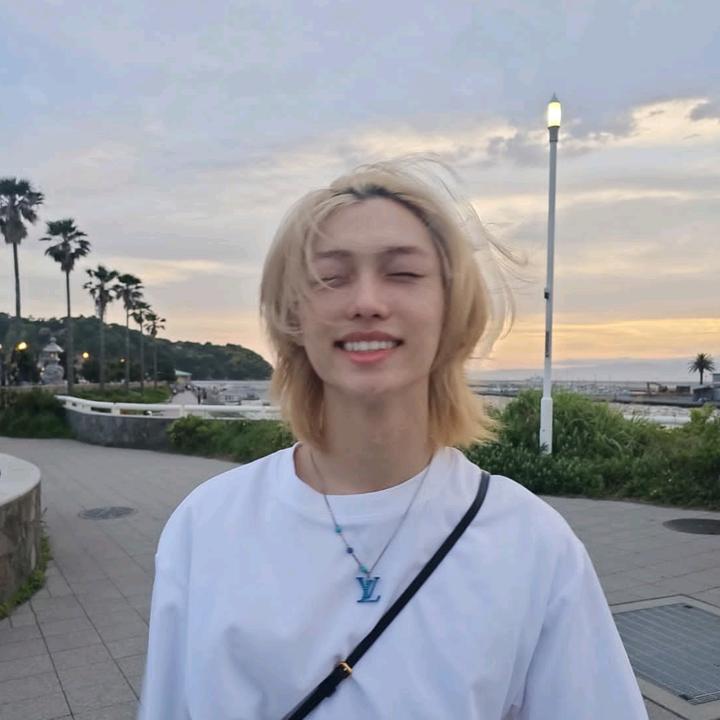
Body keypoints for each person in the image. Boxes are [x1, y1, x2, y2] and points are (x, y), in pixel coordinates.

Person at [137, 157, 649, 719]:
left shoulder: (533, 545)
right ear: (294, 315)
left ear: (450, 309)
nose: (367, 303)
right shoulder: (206, 527)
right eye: (330, 277)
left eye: (403, 273)